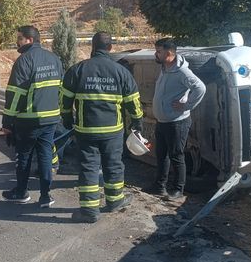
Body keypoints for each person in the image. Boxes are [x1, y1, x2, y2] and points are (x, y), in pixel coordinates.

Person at [61, 32, 144, 223]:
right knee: (113, 165)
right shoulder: (121, 72)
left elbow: (64, 100)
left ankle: (89, 211)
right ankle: (115, 201)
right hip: (113, 131)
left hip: (85, 130)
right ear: (110, 48)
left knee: (88, 167)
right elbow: (133, 102)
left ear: (92, 46)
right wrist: (137, 122)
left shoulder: (77, 70)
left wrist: (66, 118)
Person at [2, 25, 64, 208]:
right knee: (45, 156)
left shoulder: (24, 61)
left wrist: (7, 121)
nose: (17, 41)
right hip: (51, 118)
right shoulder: (55, 59)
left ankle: (21, 192)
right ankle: (45, 196)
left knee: (24, 156)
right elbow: (60, 89)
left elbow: (15, 95)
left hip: (29, 120)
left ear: (29, 40)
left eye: (19, 38)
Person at [143, 38, 206, 200]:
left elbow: (200, 88)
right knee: (161, 154)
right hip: (162, 121)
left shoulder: (183, 72)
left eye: (159, 51)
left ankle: (178, 189)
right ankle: (160, 186)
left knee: (176, 156)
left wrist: (186, 105)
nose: (156, 55)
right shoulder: (164, 68)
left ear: (169, 53)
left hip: (177, 122)